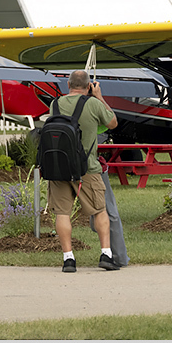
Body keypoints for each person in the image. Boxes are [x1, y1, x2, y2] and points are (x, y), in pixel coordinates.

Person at [48, 70, 120, 273]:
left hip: (59, 168)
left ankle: (68, 259)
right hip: (87, 167)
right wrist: (99, 97)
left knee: (62, 213)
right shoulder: (94, 104)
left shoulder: (54, 104)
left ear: (68, 84)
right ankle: (106, 254)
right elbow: (112, 123)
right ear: (88, 86)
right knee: (99, 210)